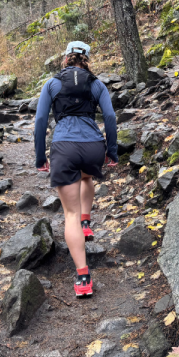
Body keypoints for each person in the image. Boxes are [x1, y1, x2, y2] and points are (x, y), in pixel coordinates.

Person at [34, 41, 118, 298]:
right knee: (86, 176)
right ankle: (87, 221)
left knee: (67, 214)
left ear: (66, 58)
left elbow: (40, 121)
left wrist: (40, 156)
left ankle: (83, 277)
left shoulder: (52, 84)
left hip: (64, 147)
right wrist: (111, 151)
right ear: (87, 59)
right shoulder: (96, 84)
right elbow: (111, 117)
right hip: (92, 146)